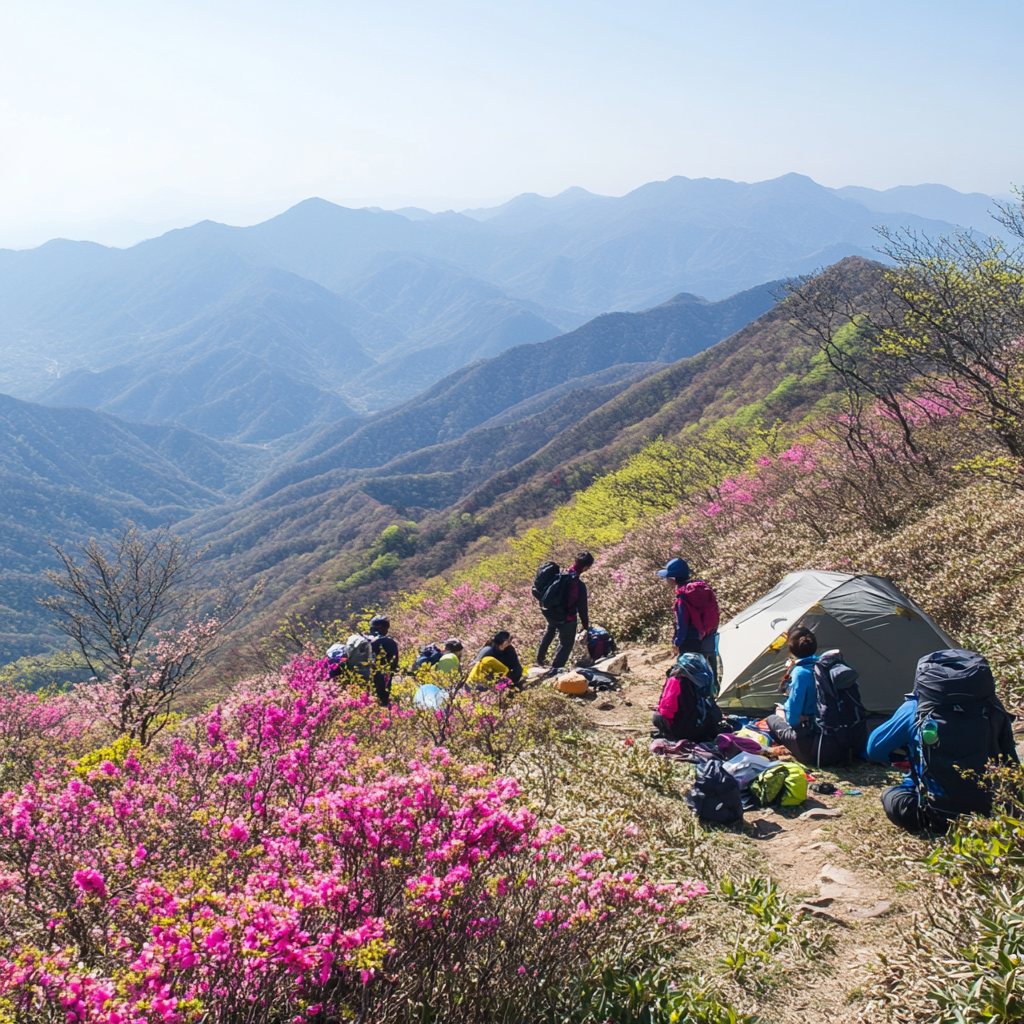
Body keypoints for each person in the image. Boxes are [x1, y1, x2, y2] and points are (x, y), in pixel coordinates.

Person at [866, 649, 1018, 833]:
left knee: (891, 795)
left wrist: (909, 756)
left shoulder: (914, 709)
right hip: (996, 812)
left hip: (938, 816)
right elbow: (1010, 756)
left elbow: (874, 749)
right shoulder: (993, 707)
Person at [764, 625, 863, 766]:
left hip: (815, 748)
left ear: (791, 650)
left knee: (772, 718)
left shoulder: (800, 673)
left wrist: (782, 713)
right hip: (844, 742)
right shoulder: (827, 666)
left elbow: (793, 718)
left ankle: (793, 748)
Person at [656, 558, 720, 688]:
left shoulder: (682, 596)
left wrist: (677, 642)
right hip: (709, 635)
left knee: (689, 677)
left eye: (667, 577)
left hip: (690, 640)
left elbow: (682, 624)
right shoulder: (703, 590)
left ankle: (694, 699)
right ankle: (713, 694)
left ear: (673, 578)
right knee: (709, 671)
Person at [536, 552, 594, 670]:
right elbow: (582, 608)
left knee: (550, 632)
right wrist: (585, 625)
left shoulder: (560, 574)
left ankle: (540, 660)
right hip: (567, 618)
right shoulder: (578, 585)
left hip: (550, 613)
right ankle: (557, 668)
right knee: (566, 644)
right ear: (585, 568)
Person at [652, 652, 723, 741]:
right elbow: (686, 711)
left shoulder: (674, 677)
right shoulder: (683, 683)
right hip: (675, 724)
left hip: (663, 720)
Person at [366, 615, 400, 707]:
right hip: (382, 683)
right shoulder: (389, 642)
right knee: (382, 704)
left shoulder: (364, 640)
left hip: (362, 680)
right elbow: (394, 664)